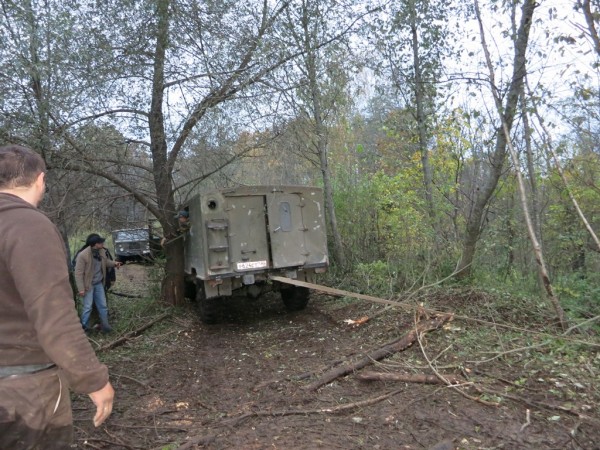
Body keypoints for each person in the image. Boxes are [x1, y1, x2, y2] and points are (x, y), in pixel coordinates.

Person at [0, 144, 114, 449]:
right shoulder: (28, 225)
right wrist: (93, 379)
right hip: (22, 391)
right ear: (40, 180)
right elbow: (54, 317)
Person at [74, 235, 122, 333]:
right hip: (88, 285)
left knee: (103, 306)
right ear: (95, 244)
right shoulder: (83, 255)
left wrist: (114, 263)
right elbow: (78, 273)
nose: (102, 243)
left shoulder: (101, 251)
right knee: (87, 308)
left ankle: (105, 327)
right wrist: (81, 289)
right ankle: (84, 330)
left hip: (99, 284)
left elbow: (106, 262)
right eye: (100, 242)